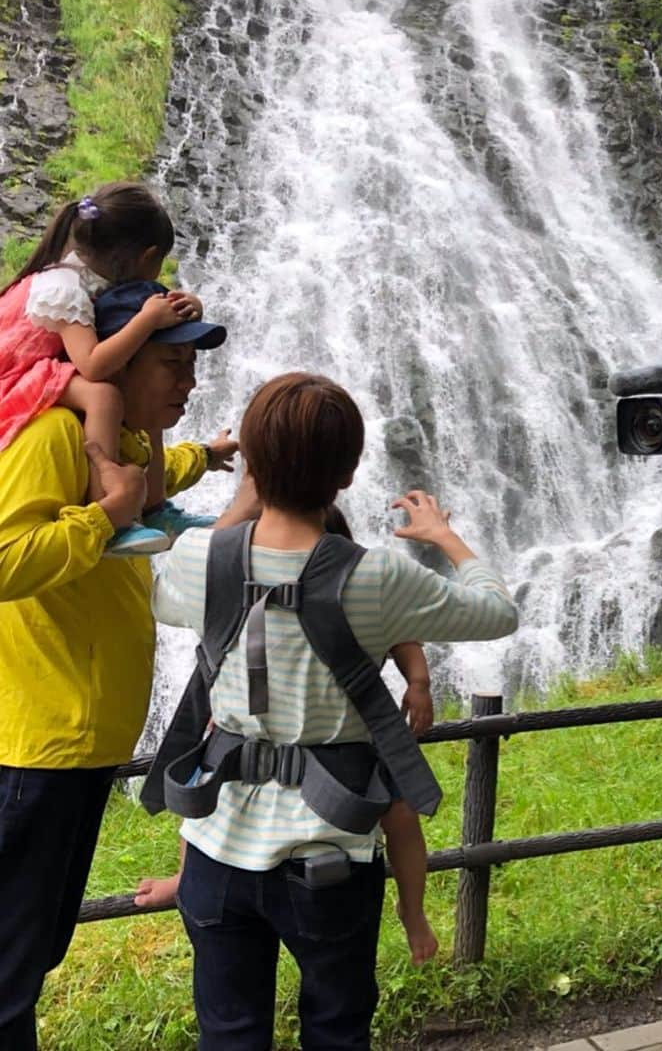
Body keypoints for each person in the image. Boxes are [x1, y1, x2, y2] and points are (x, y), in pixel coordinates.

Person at [149, 373, 518, 1048]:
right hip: (330, 857)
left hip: (215, 852)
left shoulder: (200, 557)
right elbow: (497, 612)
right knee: (338, 1032)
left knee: (227, 1035)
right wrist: (444, 538)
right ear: (348, 474)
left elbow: (168, 597)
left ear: (252, 464)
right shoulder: (378, 575)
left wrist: (241, 501)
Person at [0, 314, 232, 1048]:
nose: (190, 383)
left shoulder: (119, 443)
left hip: (81, 745)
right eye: (171, 365)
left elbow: (148, 482)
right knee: (7, 965)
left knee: (30, 953)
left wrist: (207, 454)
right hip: (36, 749)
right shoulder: (54, 439)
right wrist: (104, 516)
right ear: (118, 363)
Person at [135, 504, 440, 965]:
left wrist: (419, 684)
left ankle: (412, 910)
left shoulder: (355, 591)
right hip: (248, 739)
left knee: (401, 815)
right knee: (208, 799)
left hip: (347, 741)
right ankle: (184, 878)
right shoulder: (241, 591)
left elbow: (406, 638)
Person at [0, 181, 213, 553]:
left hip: (38, 368)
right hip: (14, 377)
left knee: (149, 411)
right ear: (147, 257)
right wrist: (146, 321)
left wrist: (187, 302)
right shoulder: (62, 288)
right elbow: (94, 365)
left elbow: (139, 303)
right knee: (105, 396)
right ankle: (110, 511)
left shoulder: (89, 273)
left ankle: (154, 507)